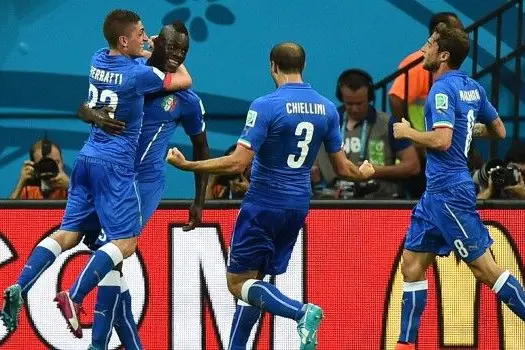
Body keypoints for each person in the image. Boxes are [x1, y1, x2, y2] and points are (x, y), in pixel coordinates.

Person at [166, 42, 375, 350]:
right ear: (302, 66)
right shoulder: (327, 109)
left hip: (264, 202)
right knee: (255, 283)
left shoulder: (266, 105)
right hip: (298, 205)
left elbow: (238, 162)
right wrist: (365, 172)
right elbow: (343, 167)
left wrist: (188, 165)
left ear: (272, 65)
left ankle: (301, 312)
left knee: (237, 284)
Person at [0, 9, 192, 339]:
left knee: (69, 233)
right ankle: (73, 295)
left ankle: (20, 284)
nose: (146, 37)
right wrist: (165, 50)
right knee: (126, 242)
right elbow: (184, 79)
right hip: (115, 165)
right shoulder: (138, 76)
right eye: (140, 33)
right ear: (123, 39)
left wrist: (148, 47)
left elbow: (132, 60)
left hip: (87, 159)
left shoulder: (98, 58)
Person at [392, 23, 525, 349]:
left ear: (444, 55)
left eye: (429, 44)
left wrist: (408, 133)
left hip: (449, 193)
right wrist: (467, 129)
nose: (424, 49)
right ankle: (405, 346)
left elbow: (441, 139)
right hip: (435, 195)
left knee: (485, 270)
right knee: (411, 267)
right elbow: (498, 131)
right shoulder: (472, 88)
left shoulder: (440, 90)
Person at [78, 21, 209, 350]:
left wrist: (199, 201)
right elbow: (84, 107)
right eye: (171, 46)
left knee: (116, 250)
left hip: (144, 183)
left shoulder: (187, 99)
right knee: (114, 262)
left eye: (183, 50)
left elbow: (201, 148)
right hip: (111, 174)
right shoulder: (131, 71)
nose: (176, 54)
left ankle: (94, 338)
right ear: (155, 44)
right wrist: (97, 117)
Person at [314, 68, 420, 199]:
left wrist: (375, 171)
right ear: (341, 98)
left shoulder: (387, 123)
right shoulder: (328, 123)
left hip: (378, 199)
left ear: (369, 97)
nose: (355, 108)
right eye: (349, 103)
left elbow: (413, 166)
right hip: (336, 198)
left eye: (359, 103)